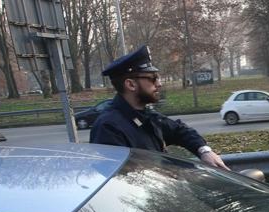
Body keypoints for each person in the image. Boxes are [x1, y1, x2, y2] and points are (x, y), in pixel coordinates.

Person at [91, 45, 229, 170]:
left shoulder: (145, 115)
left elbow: (180, 130)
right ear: (131, 85)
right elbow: (120, 180)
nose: (159, 84)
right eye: (152, 78)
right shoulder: (108, 128)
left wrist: (204, 151)